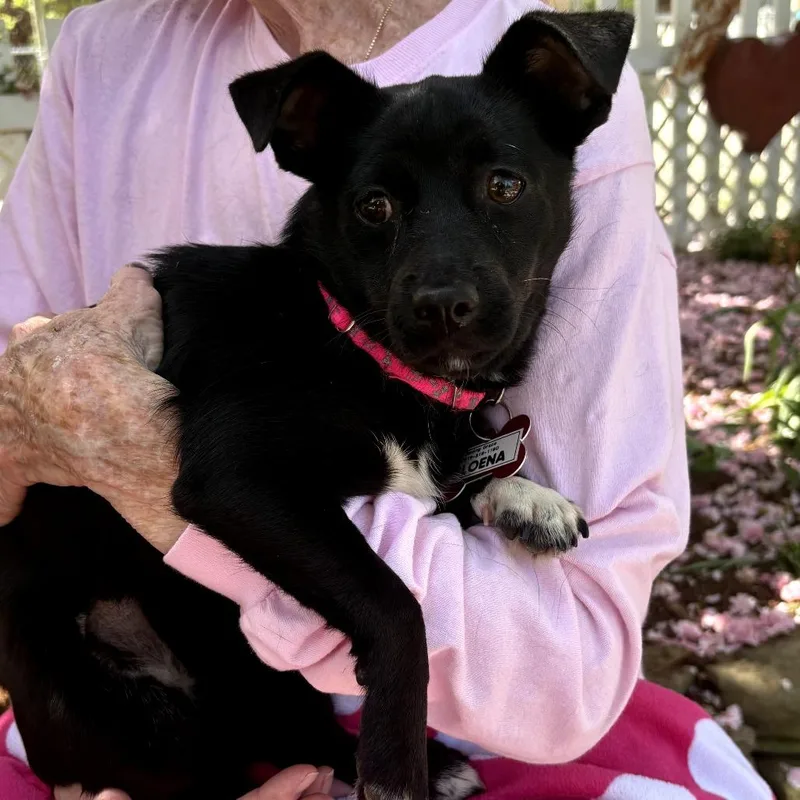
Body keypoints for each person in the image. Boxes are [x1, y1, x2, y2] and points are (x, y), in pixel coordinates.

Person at [0, 0, 775, 798]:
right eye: (377, 209)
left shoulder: (534, 93)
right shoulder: (107, 50)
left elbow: (569, 666)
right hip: (107, 682)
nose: (445, 289)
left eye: (501, 185)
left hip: (351, 699)